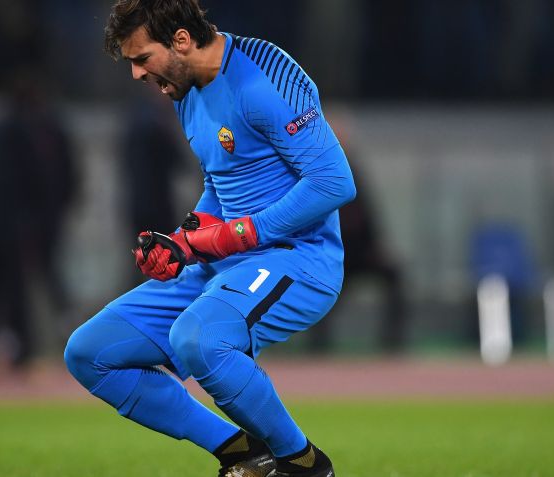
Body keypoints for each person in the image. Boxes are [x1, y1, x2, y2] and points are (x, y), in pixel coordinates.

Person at [64, 2, 355, 476]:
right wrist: (183, 241)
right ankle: (241, 452)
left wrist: (239, 233)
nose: (137, 74)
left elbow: (333, 183)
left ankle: (302, 463)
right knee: (89, 352)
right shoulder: (185, 91)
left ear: (181, 40)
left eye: (142, 58)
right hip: (230, 260)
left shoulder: (263, 78)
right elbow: (222, 185)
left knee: (199, 338)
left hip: (299, 259)